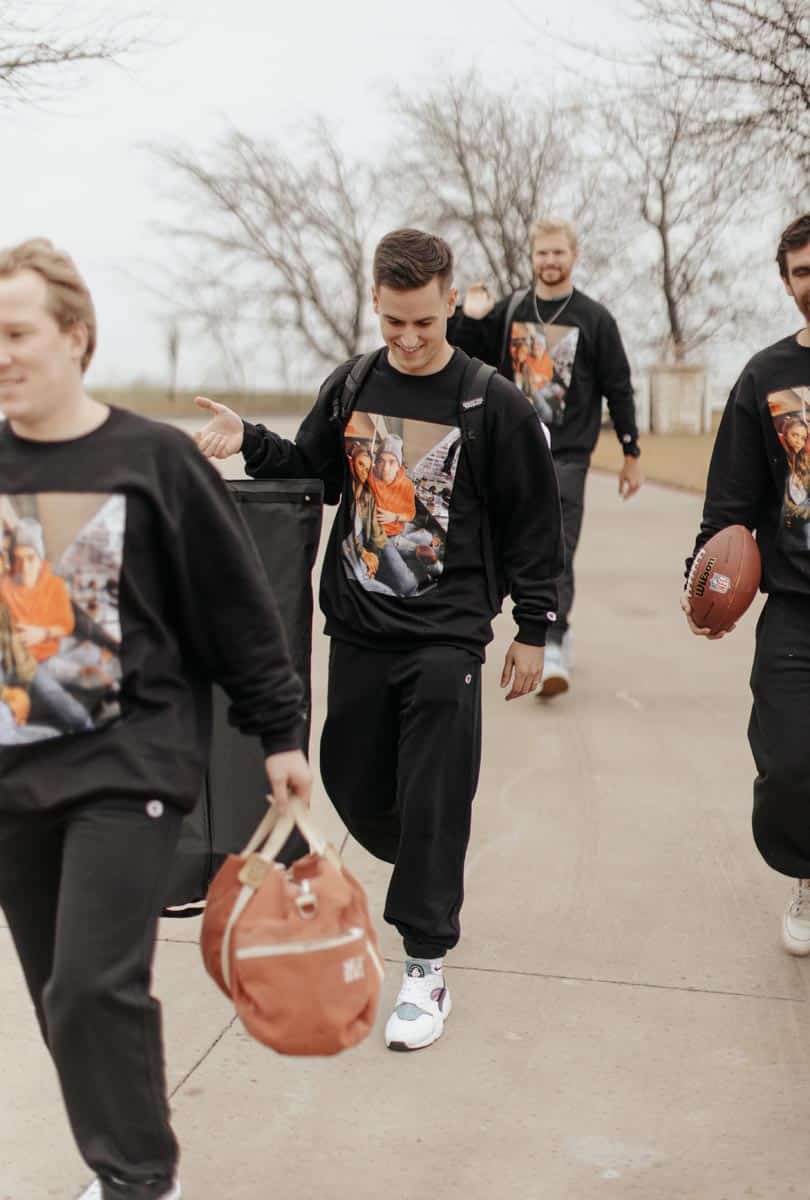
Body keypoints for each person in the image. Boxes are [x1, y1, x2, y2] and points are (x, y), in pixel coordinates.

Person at [194, 228, 563, 1052]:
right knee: (352, 781)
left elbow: (535, 525)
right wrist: (248, 437)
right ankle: (432, 852)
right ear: (375, 302)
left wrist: (533, 628)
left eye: (424, 322)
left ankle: (425, 961)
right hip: (360, 627)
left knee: (433, 795)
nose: (409, 338)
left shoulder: (491, 402)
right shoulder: (354, 383)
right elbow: (315, 476)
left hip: (447, 637)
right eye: (394, 321)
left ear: (449, 302)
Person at [0, 238, 311, 1200]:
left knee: (95, 984)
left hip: (129, 767)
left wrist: (280, 735)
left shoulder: (154, 459)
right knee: (61, 1002)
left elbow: (238, 610)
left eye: (17, 333)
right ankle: (121, 1163)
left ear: (76, 337)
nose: (1, 354)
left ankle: (141, 1181)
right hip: (16, 778)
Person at [682, 213, 810, 958]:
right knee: (790, 763)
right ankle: (806, 872)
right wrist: (700, 581)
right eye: (802, 271)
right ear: (786, 282)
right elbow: (729, 504)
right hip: (796, 606)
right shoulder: (764, 377)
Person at [448, 216, 644, 696]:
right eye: (542, 252)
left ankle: (552, 642)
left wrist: (631, 452)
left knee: (557, 548)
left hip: (567, 457)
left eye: (559, 252)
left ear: (574, 255)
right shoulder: (511, 309)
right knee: (502, 547)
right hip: (509, 453)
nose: (550, 260)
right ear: (532, 256)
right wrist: (469, 316)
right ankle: (531, 631)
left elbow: (619, 387)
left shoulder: (595, 319)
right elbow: (461, 354)